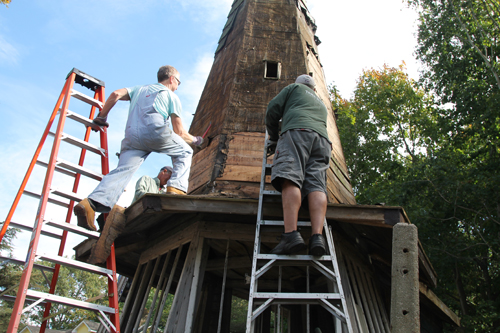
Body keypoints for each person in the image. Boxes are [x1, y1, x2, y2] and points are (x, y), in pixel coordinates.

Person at [74, 65, 203, 233]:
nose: (178, 86)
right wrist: (196, 140)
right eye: (178, 82)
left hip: (132, 136)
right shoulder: (171, 96)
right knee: (185, 151)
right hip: (154, 130)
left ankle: (90, 204)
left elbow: (115, 94)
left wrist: (102, 116)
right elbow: (179, 132)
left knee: (123, 170)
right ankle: (176, 189)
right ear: (172, 79)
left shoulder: (139, 89)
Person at [265, 74, 331, 256]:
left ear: (298, 84)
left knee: (290, 178)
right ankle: (317, 237)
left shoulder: (294, 89)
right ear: (314, 89)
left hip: (297, 132)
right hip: (323, 142)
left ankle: (291, 235)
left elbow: (272, 109)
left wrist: (274, 135)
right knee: (317, 185)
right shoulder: (320, 102)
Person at [89, 166, 174, 264]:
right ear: (164, 171)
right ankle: (99, 250)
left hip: (149, 222)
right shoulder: (146, 179)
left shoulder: (163, 191)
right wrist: (154, 199)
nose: (169, 181)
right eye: (169, 177)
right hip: (136, 215)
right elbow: (139, 193)